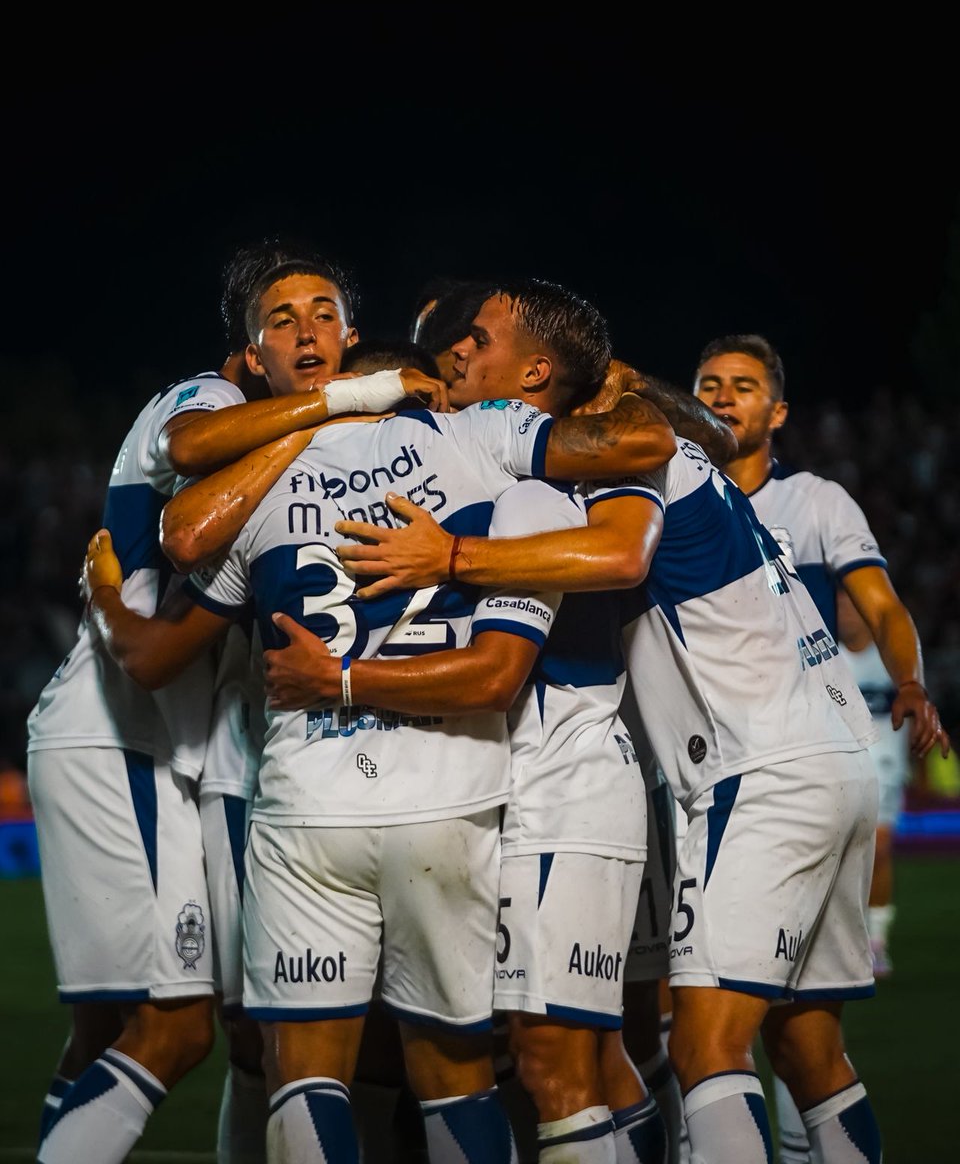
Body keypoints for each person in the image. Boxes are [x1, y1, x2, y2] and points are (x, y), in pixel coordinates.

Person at [83, 278, 683, 1164]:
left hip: (309, 806)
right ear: (423, 386)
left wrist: (107, 593)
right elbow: (630, 443)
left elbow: (180, 535)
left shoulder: (274, 475)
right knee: (465, 1077)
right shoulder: (478, 438)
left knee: (305, 1075)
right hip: (454, 803)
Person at [329, 419, 892, 1164]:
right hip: (830, 752)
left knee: (702, 1047)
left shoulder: (626, 469)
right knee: (805, 1048)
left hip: (752, 771)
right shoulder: (694, 464)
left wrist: (454, 555)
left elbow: (619, 555)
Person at [29, 245, 407, 1164]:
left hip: (157, 736)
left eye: (323, 314)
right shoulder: (209, 399)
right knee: (184, 1028)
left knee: (139, 1038)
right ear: (247, 358)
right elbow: (186, 452)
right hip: (130, 734)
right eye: (281, 320)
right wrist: (349, 403)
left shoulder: (279, 441)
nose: (305, 333)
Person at [692, 332, 950, 1164]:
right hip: (753, 770)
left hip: (775, 772)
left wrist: (908, 680)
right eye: (709, 383)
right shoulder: (669, 494)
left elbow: (881, 605)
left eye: (743, 384)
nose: (724, 396)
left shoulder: (815, 502)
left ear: (779, 410)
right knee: (804, 1046)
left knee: (702, 1031)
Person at [836, 587, 911, 979]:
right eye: (841, 603)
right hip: (842, 770)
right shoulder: (828, 656)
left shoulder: (893, 659)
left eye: (853, 604)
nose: (846, 613)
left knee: (879, 851)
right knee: (843, 857)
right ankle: (843, 939)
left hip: (886, 769)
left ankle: (876, 942)